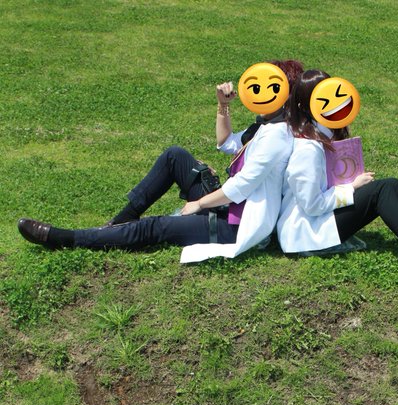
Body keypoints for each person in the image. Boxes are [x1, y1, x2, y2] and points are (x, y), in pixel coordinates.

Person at [18, 60, 304, 264]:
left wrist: (199, 203)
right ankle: (118, 223)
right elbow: (226, 143)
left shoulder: (277, 135)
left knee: (156, 227)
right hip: (230, 207)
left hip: (236, 225)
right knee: (175, 156)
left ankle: (68, 239)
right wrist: (223, 105)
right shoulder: (265, 126)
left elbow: (242, 186)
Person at [277, 69, 398, 281]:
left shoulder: (322, 136)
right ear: (306, 106)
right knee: (381, 191)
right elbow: (311, 205)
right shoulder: (308, 149)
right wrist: (352, 187)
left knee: (392, 184)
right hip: (306, 233)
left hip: (319, 220)